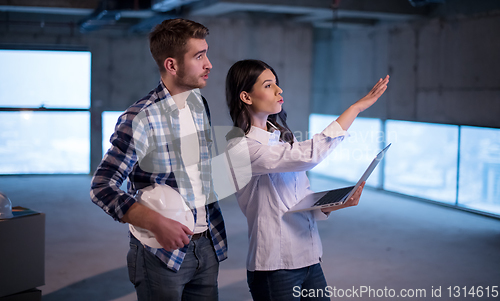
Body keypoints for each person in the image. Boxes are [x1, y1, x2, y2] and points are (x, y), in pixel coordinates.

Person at [224, 59, 389, 301]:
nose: (279, 90)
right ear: (246, 97)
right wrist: (355, 109)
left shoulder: (279, 141)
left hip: (310, 257)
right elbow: (309, 156)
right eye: (269, 85)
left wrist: (333, 204)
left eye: (277, 84)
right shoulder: (240, 147)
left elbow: (298, 200)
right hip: (275, 265)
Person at [90, 18, 227, 301]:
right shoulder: (140, 118)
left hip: (207, 243)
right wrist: (154, 222)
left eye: (207, 53)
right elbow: (102, 187)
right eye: (199, 56)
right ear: (172, 65)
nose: (209, 64)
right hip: (160, 254)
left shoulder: (199, 104)